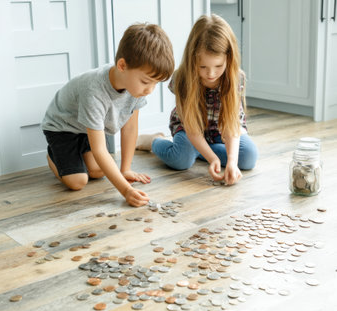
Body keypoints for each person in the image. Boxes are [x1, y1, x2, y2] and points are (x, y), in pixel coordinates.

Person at [42, 23, 174, 207]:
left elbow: (130, 128)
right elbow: (100, 150)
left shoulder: (135, 88)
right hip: (62, 127)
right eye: (146, 81)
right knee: (78, 182)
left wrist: (125, 169)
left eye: (155, 83)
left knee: (97, 171)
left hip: (85, 127)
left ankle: (76, 157)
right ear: (122, 65)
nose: (150, 90)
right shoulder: (94, 91)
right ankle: (53, 155)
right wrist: (126, 191)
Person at [136, 14, 258, 185]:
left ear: (228, 60)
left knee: (248, 158)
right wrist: (213, 159)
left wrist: (231, 161)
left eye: (218, 66)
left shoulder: (235, 78)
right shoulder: (182, 78)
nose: (211, 74)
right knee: (181, 161)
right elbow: (192, 130)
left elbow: (232, 127)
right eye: (203, 67)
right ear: (192, 59)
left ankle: (198, 151)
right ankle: (152, 141)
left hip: (221, 132)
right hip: (190, 129)